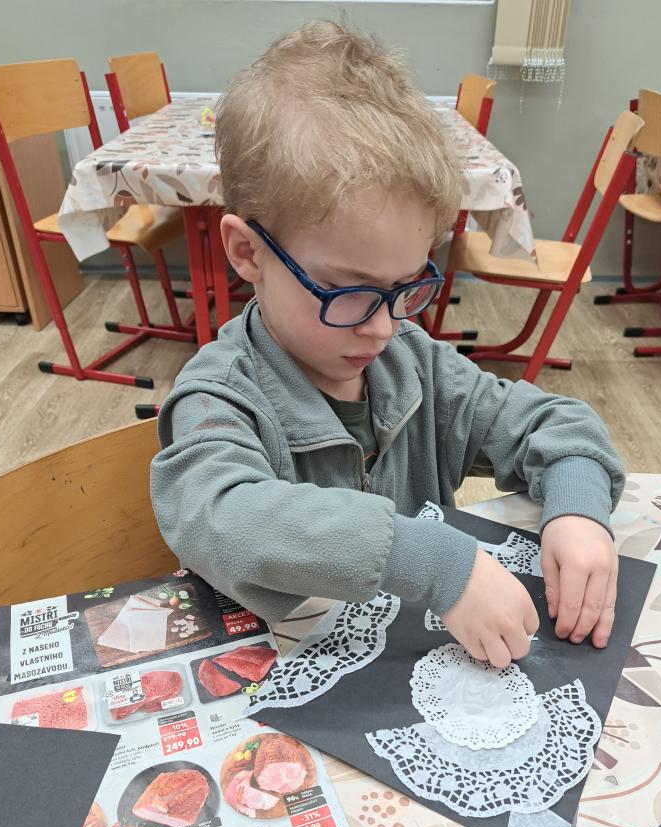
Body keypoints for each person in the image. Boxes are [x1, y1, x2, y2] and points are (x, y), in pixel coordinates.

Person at [151, 21, 622, 669]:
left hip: (414, 670)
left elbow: (555, 423)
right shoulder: (218, 397)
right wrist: (430, 560)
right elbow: (219, 517)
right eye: (346, 291)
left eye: (406, 286)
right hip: (282, 682)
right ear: (247, 252)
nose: (382, 327)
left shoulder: (413, 361)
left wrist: (579, 513)